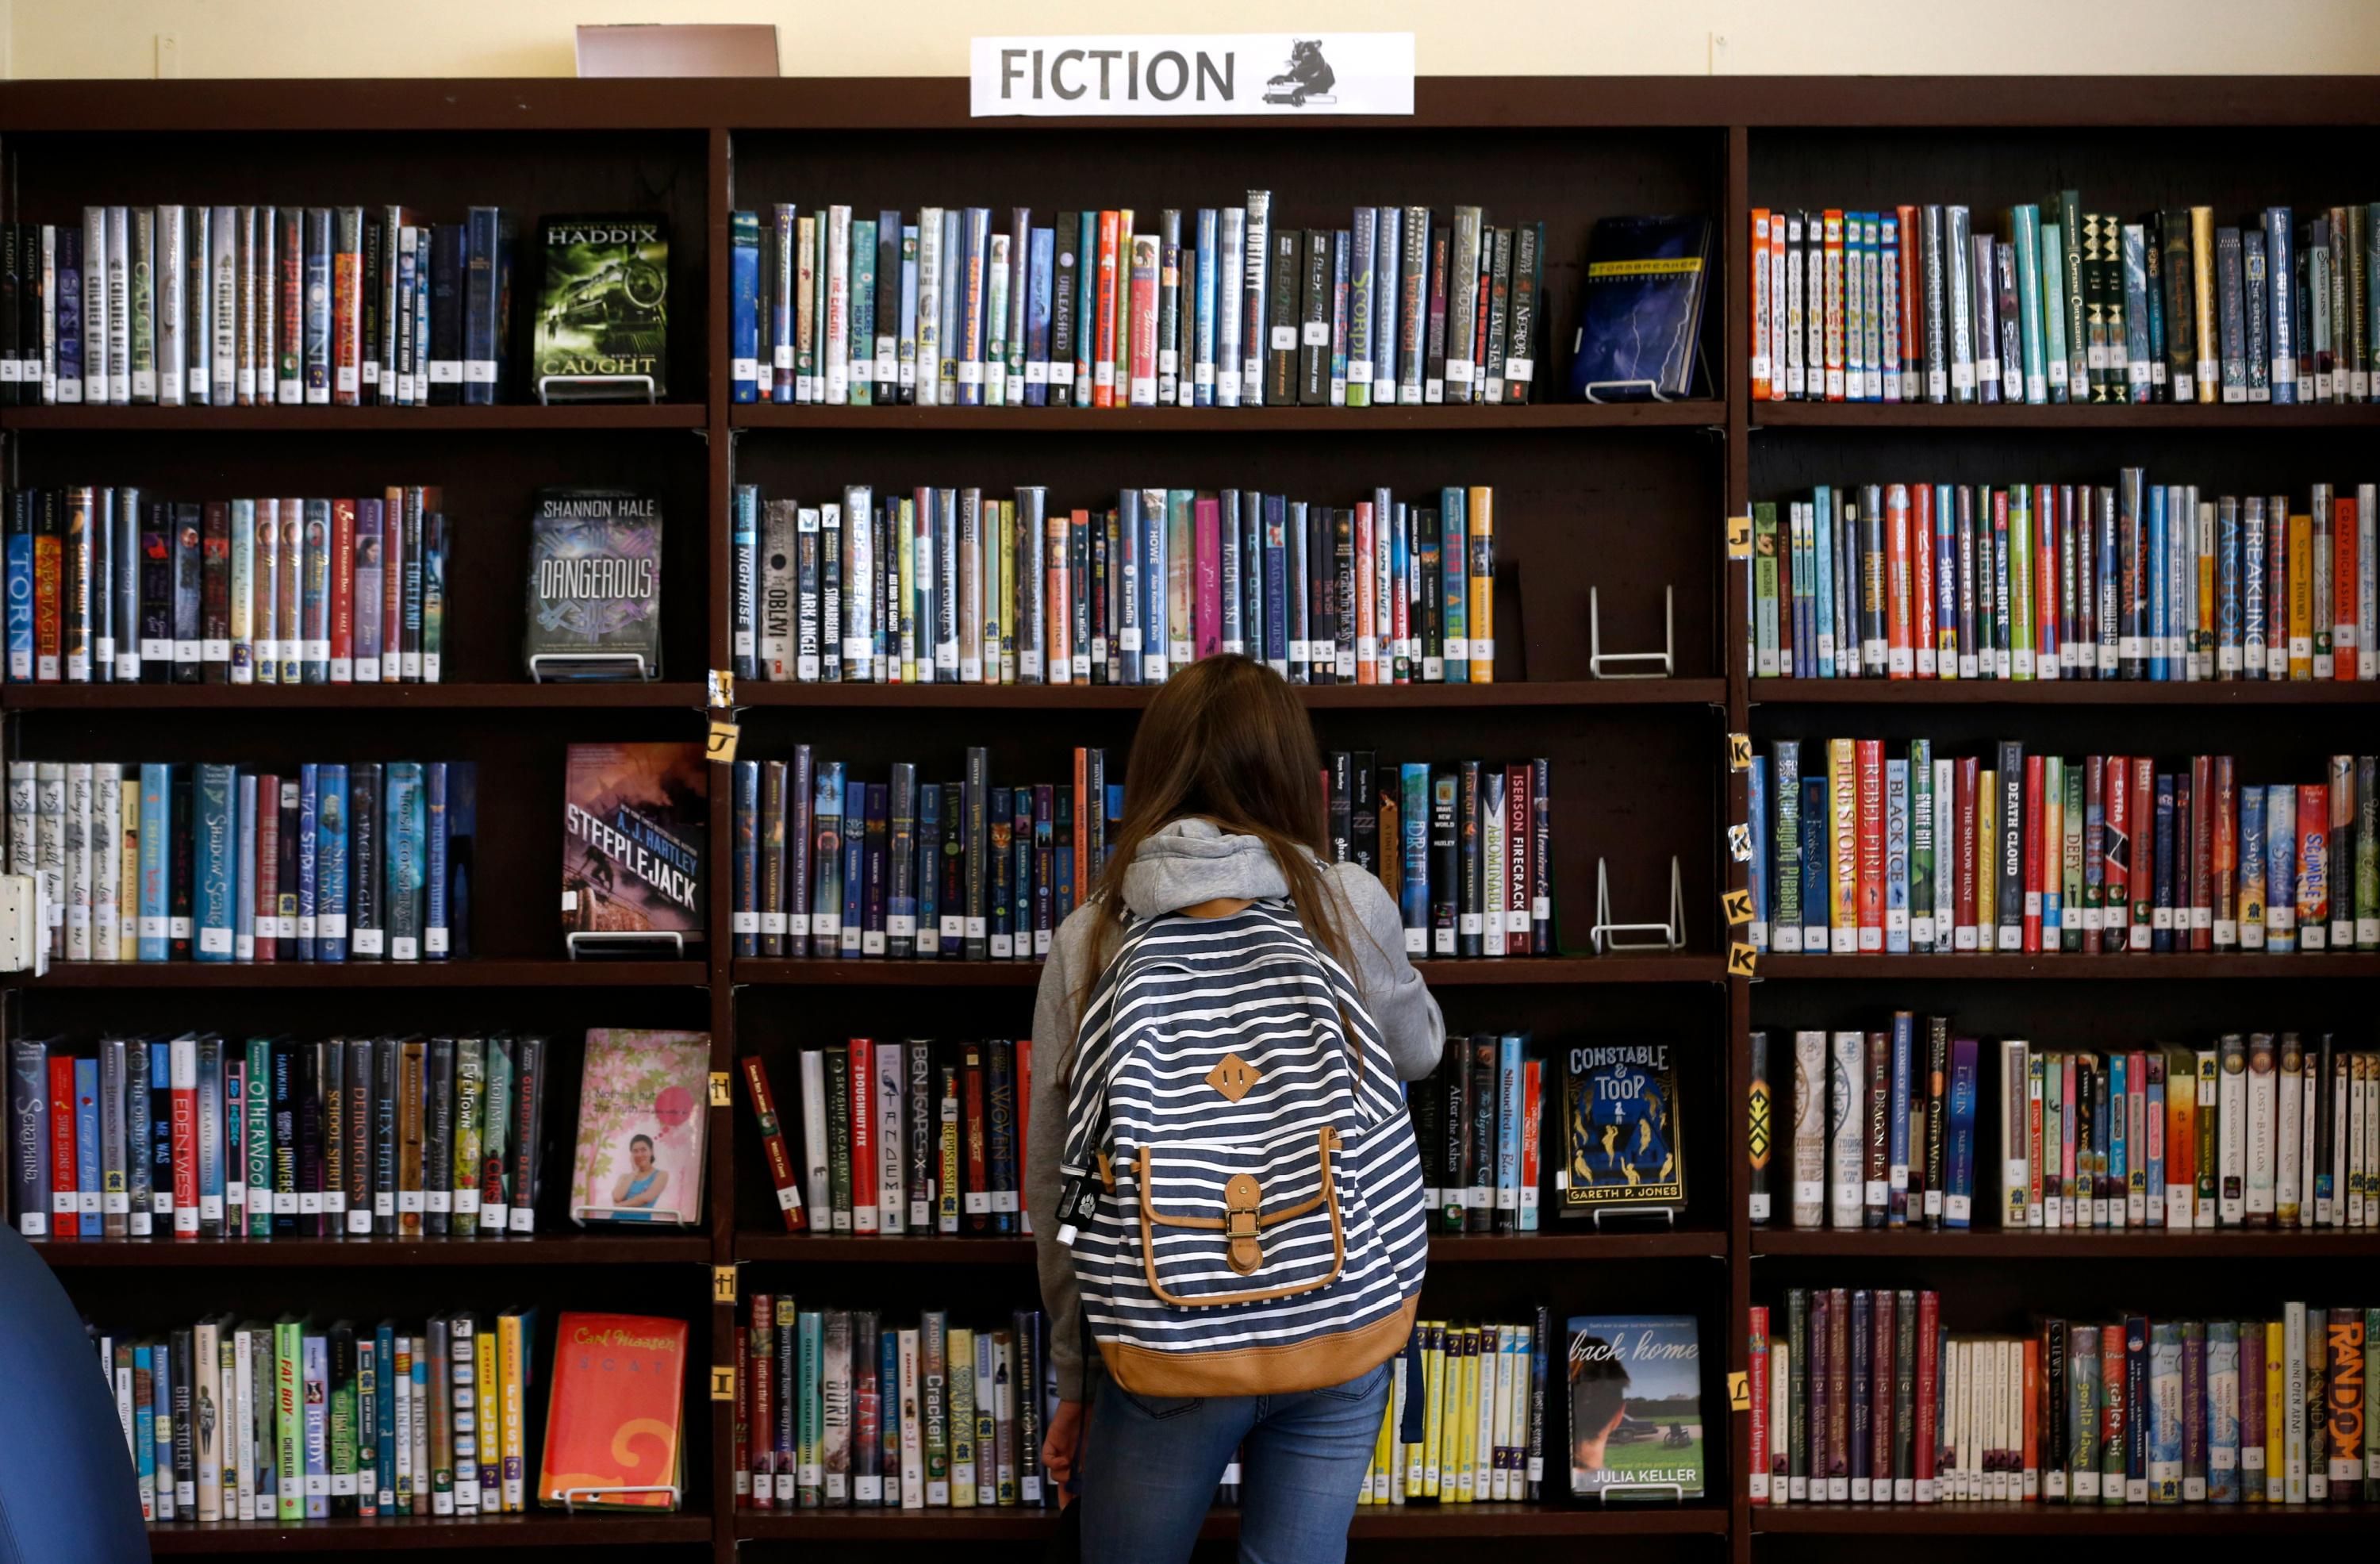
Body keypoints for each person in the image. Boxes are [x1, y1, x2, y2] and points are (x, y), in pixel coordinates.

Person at [1026, 654, 1444, 1564]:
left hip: (1164, 1338)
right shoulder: (1346, 900)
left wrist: (1074, 1374)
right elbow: (1420, 1054)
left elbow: (1060, 1184)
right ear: (1295, 770)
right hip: (1340, 1317)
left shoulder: (1090, 934)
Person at [607, 1132, 668, 1219]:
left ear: (651, 1151)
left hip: (641, 1224)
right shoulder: (624, 1177)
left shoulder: (661, 1175)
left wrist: (620, 1206)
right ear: (631, 1155)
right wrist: (634, 1172)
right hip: (616, 1221)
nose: (639, 1154)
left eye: (643, 1150)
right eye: (635, 1151)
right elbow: (617, 1197)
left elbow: (646, 1198)